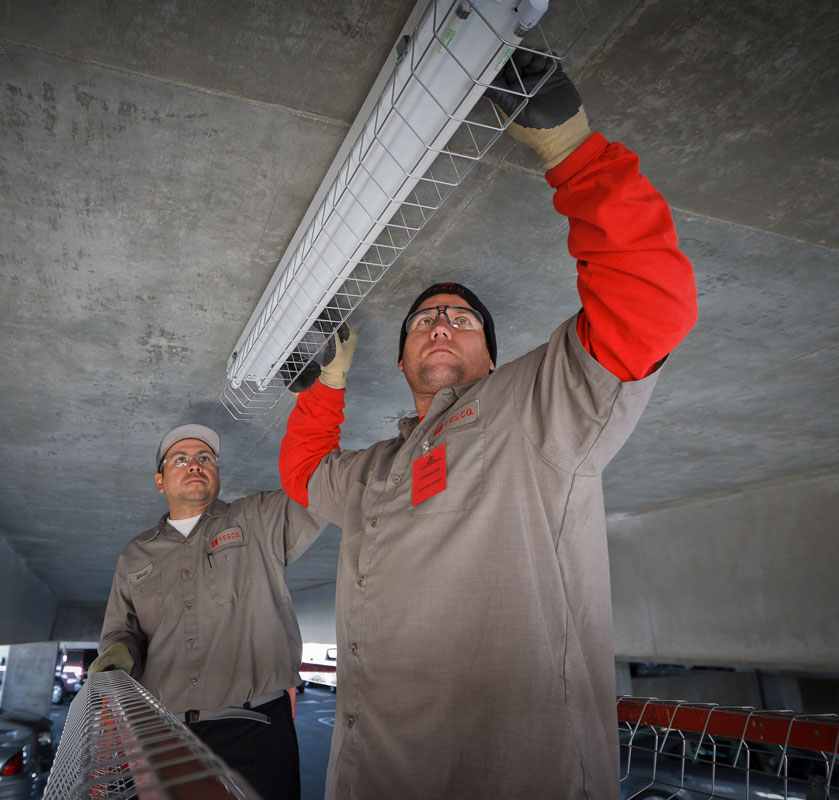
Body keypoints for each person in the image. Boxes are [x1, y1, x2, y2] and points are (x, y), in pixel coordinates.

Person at [279, 54, 699, 799]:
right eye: (424, 321)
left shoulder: (533, 406)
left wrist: (572, 151)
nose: (440, 324)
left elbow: (649, 306)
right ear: (403, 360)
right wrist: (328, 385)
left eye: (461, 319)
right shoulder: (376, 472)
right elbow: (306, 476)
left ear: (492, 356)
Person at [90, 423, 323, 800]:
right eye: (180, 460)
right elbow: (122, 631)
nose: (195, 465)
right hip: (165, 734)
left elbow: (318, 484)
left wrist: (321, 401)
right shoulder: (135, 555)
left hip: (256, 727)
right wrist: (118, 655)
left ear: (216, 474)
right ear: (160, 481)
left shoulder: (258, 518)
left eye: (205, 459)